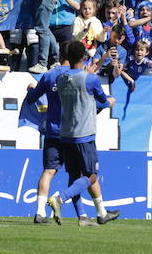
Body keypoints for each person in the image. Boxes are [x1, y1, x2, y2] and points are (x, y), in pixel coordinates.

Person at [47, 42, 119, 225]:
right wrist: (110, 102)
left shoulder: (60, 79)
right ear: (84, 57)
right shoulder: (90, 79)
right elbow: (102, 100)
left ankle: (83, 217)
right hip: (84, 134)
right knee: (91, 176)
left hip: (66, 134)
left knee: (74, 175)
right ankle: (60, 198)